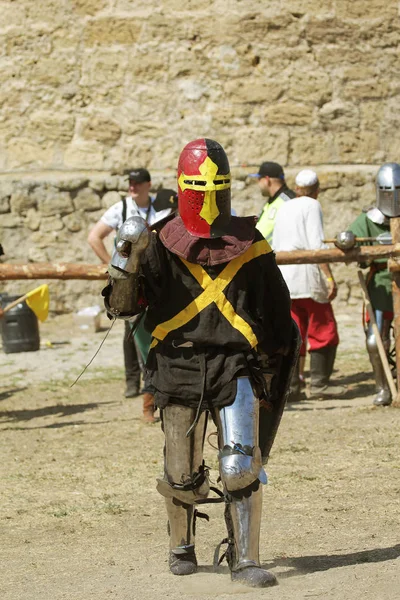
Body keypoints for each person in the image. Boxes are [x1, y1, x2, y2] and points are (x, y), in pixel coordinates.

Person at [102, 138, 298, 588]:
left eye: (215, 185)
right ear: (182, 186)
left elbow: (276, 309)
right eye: (199, 185)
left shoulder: (250, 243)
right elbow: (123, 306)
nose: (207, 194)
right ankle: (181, 545)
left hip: (235, 364)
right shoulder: (158, 241)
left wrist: (273, 362)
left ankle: (245, 558)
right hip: (178, 365)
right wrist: (125, 260)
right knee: (181, 472)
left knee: (240, 466)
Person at [88, 168, 173, 421]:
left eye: (137, 183)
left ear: (148, 184)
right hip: (130, 284)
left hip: (155, 283)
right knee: (134, 332)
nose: (132, 187)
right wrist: (114, 269)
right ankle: (138, 388)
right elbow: (95, 237)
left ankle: (155, 390)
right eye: (130, 183)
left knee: (155, 333)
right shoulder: (120, 209)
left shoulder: (160, 208)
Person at [272, 169, 345, 401]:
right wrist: (329, 278)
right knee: (324, 329)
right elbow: (316, 246)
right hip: (307, 276)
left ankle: (292, 387)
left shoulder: (284, 206)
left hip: (286, 278)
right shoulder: (312, 206)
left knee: (296, 331)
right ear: (317, 190)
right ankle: (320, 384)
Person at [343, 162, 400, 406]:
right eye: (388, 189)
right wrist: (349, 244)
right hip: (379, 285)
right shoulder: (368, 219)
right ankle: (383, 387)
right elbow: (349, 241)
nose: (393, 194)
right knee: (373, 340)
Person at [249, 161, 296, 244]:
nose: (258, 183)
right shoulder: (271, 201)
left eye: (259, 179)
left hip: (281, 255)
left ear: (267, 180)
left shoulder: (289, 202)